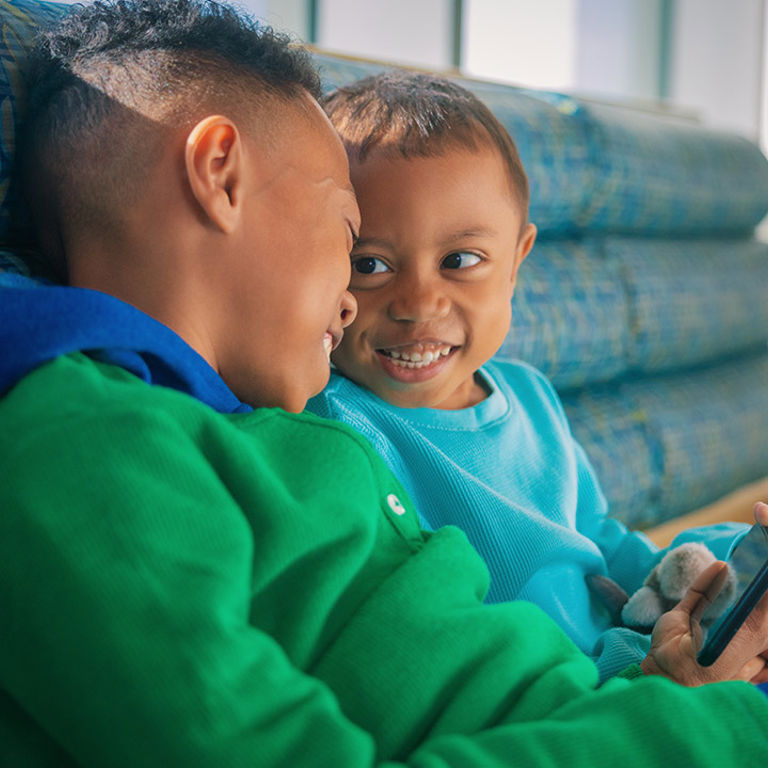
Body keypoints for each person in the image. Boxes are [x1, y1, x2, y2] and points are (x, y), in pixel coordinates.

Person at [2, 1, 768, 765]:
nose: (352, 298)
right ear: (220, 174)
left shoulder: (240, 421)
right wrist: (695, 722)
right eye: (351, 243)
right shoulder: (81, 441)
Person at [306, 71, 768, 680]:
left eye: (460, 261)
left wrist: (717, 574)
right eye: (369, 264)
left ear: (517, 262)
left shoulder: (528, 393)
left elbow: (602, 543)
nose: (418, 302)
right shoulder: (332, 422)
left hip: (630, 649)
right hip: (554, 694)